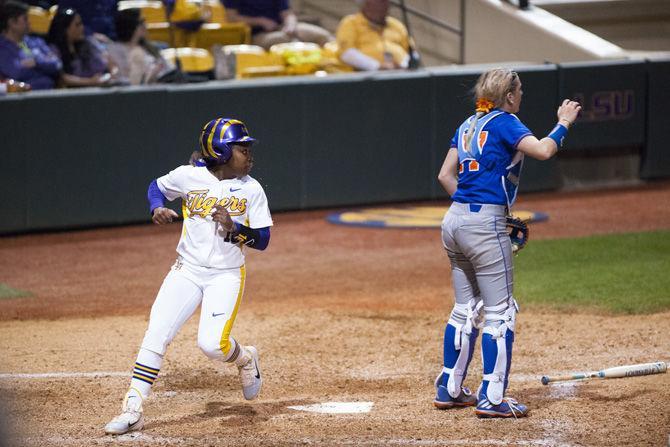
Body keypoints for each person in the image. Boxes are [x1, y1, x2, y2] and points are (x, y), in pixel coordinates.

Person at [104, 118, 273, 436]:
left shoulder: (252, 189)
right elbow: (157, 187)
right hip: (187, 270)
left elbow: (263, 240)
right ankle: (133, 408)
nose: (249, 154)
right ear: (221, 151)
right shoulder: (188, 176)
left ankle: (245, 357)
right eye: (242, 148)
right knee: (157, 333)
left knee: (212, 345)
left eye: (249, 148)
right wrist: (156, 208)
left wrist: (236, 229)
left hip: (225, 275)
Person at [433, 68, 580, 418]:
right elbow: (544, 150)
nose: (522, 95)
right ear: (509, 95)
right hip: (484, 225)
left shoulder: (468, 123)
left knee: (464, 308)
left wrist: (470, 211)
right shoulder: (505, 121)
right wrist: (563, 123)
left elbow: (444, 175)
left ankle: (449, 388)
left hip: (453, 220)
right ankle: (493, 398)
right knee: (501, 312)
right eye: (520, 90)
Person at [46, 7, 118, 88]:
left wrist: (112, 75)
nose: (82, 28)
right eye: (77, 25)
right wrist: (91, 82)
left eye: (81, 24)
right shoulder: (54, 50)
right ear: (65, 29)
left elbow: (111, 64)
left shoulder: (89, 43)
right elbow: (62, 78)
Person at [222, 0, 334, 50]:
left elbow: (287, 13)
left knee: (322, 35)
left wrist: (290, 25)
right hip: (256, 34)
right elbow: (231, 17)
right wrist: (260, 21)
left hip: (282, 28)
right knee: (282, 40)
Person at [0, 0, 61, 89]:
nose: (29, 22)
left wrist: (36, 62)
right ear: (12, 22)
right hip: (20, 99)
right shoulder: (2, 48)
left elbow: (57, 64)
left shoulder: (35, 42)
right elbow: (15, 73)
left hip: (48, 94)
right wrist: (44, 65)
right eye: (25, 19)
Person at [335, 0, 411, 71]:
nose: (385, 4)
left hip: (401, 75)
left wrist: (403, 65)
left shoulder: (397, 25)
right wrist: (377, 66)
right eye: (380, 1)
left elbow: (411, 52)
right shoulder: (351, 23)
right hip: (366, 77)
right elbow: (346, 53)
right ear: (365, 3)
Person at [107, 8, 175, 85]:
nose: (145, 26)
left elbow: (169, 70)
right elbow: (123, 77)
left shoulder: (151, 48)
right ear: (130, 25)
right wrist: (149, 77)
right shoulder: (114, 49)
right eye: (141, 23)